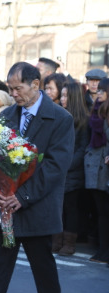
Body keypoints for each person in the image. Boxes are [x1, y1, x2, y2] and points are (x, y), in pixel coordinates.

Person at [0, 62, 74, 293]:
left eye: (18, 89)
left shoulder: (61, 119)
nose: (13, 94)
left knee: (44, 273)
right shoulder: (6, 116)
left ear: (35, 85)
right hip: (5, 208)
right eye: (10, 89)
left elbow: (54, 167)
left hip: (37, 209)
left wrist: (22, 196)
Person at [52, 82, 90, 256]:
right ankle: (56, 240)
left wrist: (67, 164)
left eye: (66, 96)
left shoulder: (83, 120)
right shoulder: (58, 116)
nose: (63, 99)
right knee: (57, 207)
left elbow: (83, 148)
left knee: (71, 207)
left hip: (73, 171)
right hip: (58, 167)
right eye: (62, 95)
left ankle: (69, 243)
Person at [84, 78, 109, 263]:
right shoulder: (96, 111)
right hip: (96, 166)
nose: (98, 94)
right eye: (97, 90)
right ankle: (102, 250)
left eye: (102, 91)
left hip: (104, 167)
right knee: (101, 212)